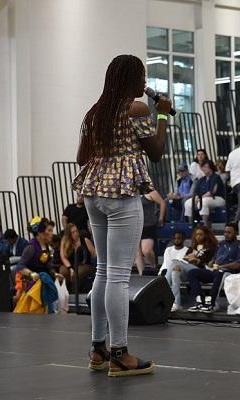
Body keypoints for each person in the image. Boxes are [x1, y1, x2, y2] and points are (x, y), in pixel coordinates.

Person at [73, 54, 171, 376]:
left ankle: (97, 349)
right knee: (118, 275)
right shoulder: (137, 109)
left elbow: (81, 157)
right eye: (141, 76)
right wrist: (162, 115)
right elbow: (156, 152)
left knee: (103, 271)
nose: (145, 82)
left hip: (94, 192)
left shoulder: (95, 112)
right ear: (130, 79)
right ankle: (120, 353)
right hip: (121, 194)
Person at [166, 225, 218, 312]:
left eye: (201, 234)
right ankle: (176, 303)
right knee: (175, 271)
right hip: (189, 271)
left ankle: (165, 284)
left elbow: (207, 262)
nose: (198, 237)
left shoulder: (211, 248)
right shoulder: (192, 247)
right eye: (196, 234)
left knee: (175, 262)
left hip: (201, 271)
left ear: (206, 235)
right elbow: (186, 259)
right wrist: (194, 259)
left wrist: (196, 260)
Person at [186, 160, 226, 226]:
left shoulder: (216, 177)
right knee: (187, 203)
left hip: (217, 198)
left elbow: (211, 192)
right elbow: (196, 192)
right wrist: (196, 198)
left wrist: (200, 198)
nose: (203, 169)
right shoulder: (202, 179)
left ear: (210, 167)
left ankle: (205, 225)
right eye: (202, 167)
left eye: (205, 167)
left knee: (203, 202)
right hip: (202, 198)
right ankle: (191, 225)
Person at [59, 223, 96, 293]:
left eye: (76, 231)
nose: (76, 233)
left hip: (84, 264)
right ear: (69, 234)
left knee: (77, 274)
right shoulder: (65, 241)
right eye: (73, 232)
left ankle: (74, 293)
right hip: (70, 264)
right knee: (63, 271)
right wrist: (70, 268)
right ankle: (65, 292)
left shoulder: (84, 240)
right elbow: (63, 257)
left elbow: (94, 253)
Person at [135, 190, 165, 275]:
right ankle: (141, 274)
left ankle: (153, 267)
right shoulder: (132, 193)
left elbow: (162, 203)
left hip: (148, 225)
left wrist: (161, 218)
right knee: (137, 253)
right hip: (135, 224)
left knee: (146, 250)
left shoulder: (151, 192)